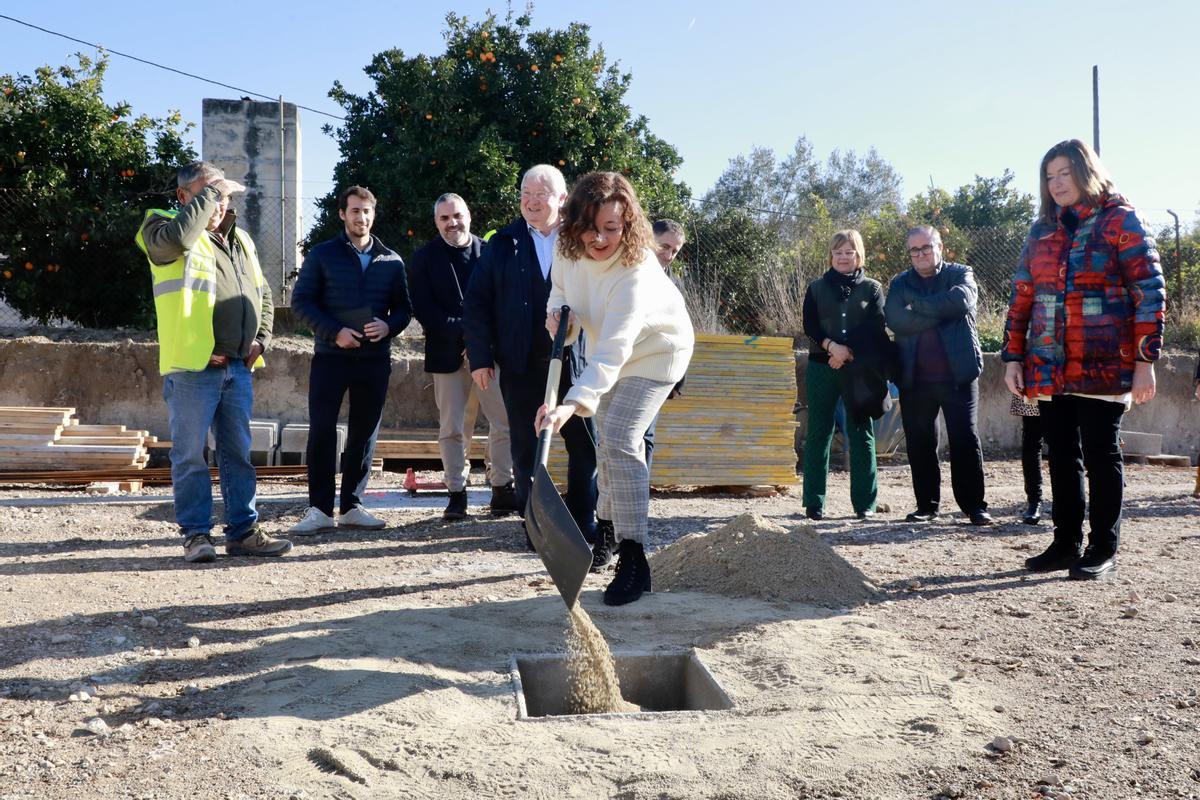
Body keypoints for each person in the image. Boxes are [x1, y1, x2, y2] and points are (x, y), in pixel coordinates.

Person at [1004, 139, 1165, 580]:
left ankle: (1102, 546)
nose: (1056, 184)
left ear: (1085, 171)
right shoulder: (1041, 230)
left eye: (1064, 173)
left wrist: (1145, 359)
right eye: (1049, 176)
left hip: (1104, 362)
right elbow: (1022, 297)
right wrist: (1013, 357)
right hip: (1049, 364)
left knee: (1100, 453)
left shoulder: (1120, 219)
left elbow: (1148, 292)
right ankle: (1065, 542)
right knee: (1059, 453)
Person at [537, 171, 695, 606]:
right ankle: (605, 530)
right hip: (610, 349)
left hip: (658, 350)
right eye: (591, 227)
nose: (600, 238)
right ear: (574, 223)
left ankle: (634, 558)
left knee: (622, 436)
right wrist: (560, 320)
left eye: (612, 228)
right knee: (606, 439)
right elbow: (560, 294)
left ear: (627, 225)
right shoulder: (567, 252)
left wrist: (569, 405)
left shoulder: (635, 268)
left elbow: (615, 350)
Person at [135, 161, 292, 562]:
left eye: (223, 196)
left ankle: (243, 531)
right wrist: (208, 195)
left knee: (237, 454)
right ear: (183, 197)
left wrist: (262, 338)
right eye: (210, 194)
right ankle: (196, 535)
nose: (219, 204)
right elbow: (177, 241)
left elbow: (263, 294)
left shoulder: (240, 240)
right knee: (190, 455)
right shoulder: (159, 227)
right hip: (191, 369)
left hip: (237, 368)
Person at [462, 165, 598, 548]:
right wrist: (481, 356)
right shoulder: (503, 243)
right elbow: (477, 302)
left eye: (541, 194)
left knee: (584, 444)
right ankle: (535, 524)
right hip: (520, 363)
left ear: (561, 198)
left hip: (575, 362)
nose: (531, 201)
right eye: (525, 193)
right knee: (525, 447)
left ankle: (583, 520)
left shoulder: (582, 239)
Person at [289, 186, 412, 535]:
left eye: (367, 211)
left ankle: (352, 506)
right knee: (324, 429)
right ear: (342, 214)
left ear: (374, 215)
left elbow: (404, 309)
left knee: (364, 432)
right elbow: (302, 303)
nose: (361, 217)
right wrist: (335, 332)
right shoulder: (322, 255)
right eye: (355, 211)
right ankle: (319, 510)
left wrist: (388, 325)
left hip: (374, 360)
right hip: (331, 357)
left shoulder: (392, 260)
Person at [408, 193, 517, 521]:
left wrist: (483, 341)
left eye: (456, 215)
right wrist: (470, 336)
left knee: (504, 422)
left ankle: (502, 489)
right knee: (453, 427)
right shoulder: (425, 258)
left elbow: (504, 304)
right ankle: (457, 493)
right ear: (436, 222)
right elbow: (426, 310)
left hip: (491, 354)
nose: (451, 223)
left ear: (468, 216)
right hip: (447, 354)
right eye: (444, 218)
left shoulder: (491, 254)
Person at [885, 225, 993, 526]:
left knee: (964, 440)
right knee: (920, 442)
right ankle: (926, 506)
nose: (920, 254)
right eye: (914, 250)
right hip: (915, 378)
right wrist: (939, 312)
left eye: (926, 248)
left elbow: (960, 302)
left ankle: (974, 506)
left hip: (959, 375)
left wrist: (916, 307)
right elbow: (894, 318)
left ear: (940, 247)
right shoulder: (900, 282)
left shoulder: (961, 274)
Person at [801, 229, 890, 521]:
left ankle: (865, 503)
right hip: (820, 366)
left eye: (848, 251)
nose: (843, 257)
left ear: (858, 254)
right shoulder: (815, 288)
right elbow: (810, 325)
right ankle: (814, 502)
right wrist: (831, 348)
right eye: (837, 252)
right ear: (831, 255)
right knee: (819, 432)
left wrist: (847, 352)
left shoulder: (873, 288)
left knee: (860, 431)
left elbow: (875, 328)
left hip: (858, 368)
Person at [1010, 393, 1044, 524]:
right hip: (1035, 377)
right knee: (1032, 438)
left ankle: (1067, 502)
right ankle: (1034, 501)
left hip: (1065, 381)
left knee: (1066, 442)